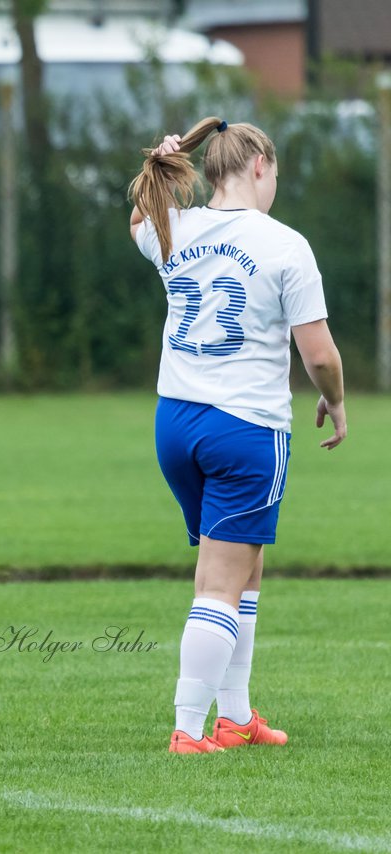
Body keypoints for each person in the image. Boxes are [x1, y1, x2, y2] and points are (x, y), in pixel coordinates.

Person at [128, 118, 347, 754]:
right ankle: (188, 731)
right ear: (257, 165)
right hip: (245, 428)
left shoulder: (177, 230)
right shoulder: (286, 246)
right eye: (274, 172)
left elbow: (142, 221)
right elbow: (321, 355)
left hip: (175, 424)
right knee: (219, 585)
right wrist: (334, 401)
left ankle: (236, 716)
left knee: (245, 567)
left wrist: (165, 165)